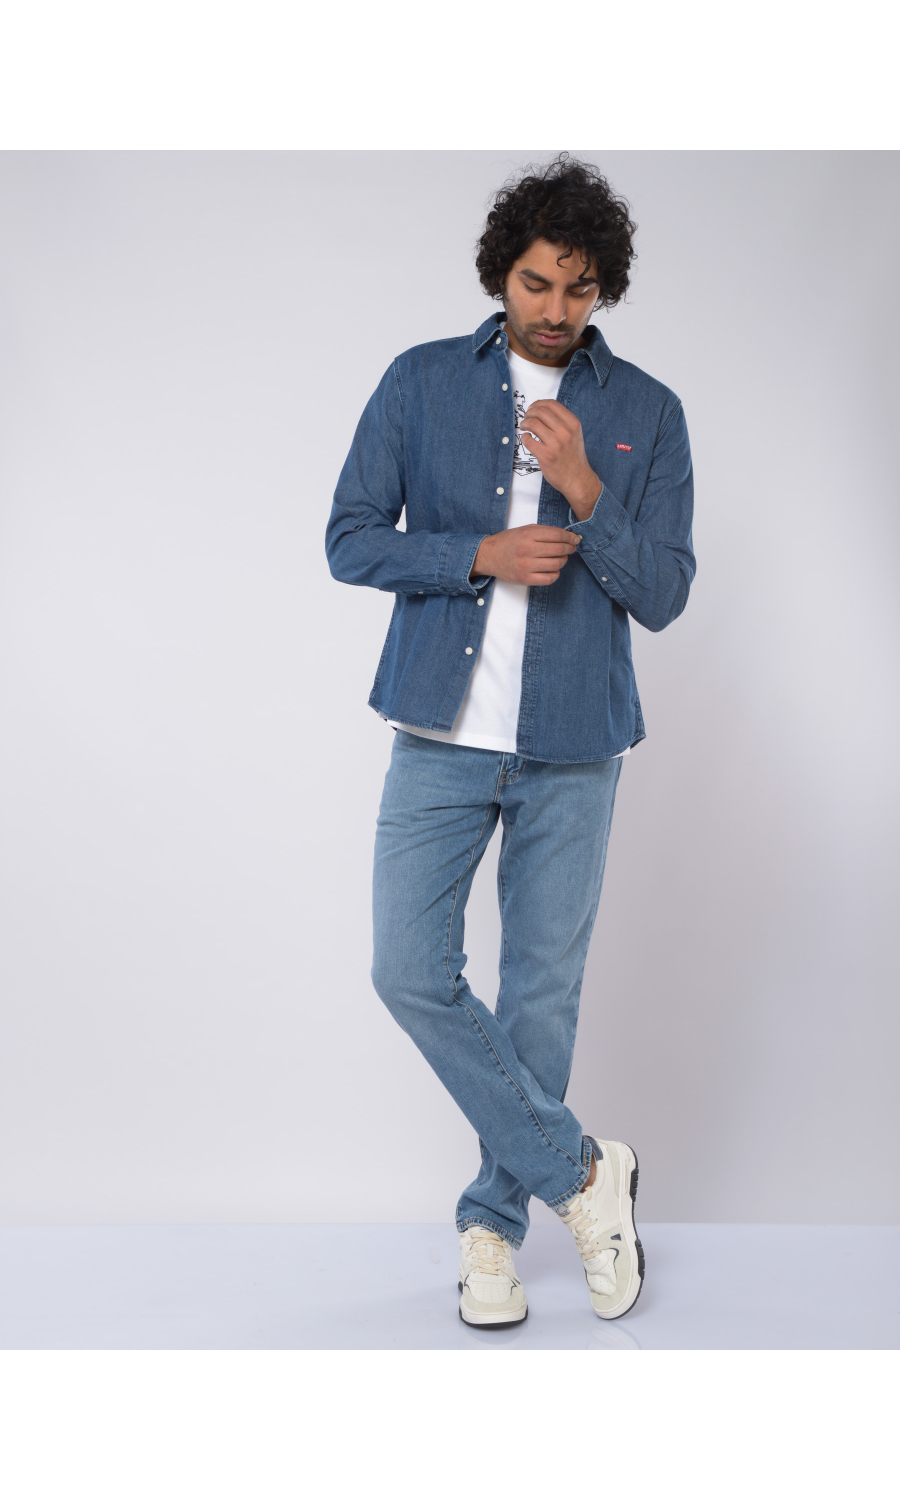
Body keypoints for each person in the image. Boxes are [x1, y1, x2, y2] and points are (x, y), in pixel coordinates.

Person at [325, 156, 695, 1328]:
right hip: (440, 731)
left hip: (576, 743)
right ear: (502, 274)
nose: (555, 307)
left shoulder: (648, 412)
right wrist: (475, 555)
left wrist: (586, 489)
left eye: (579, 288)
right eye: (537, 282)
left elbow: (666, 594)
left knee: (540, 995)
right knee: (407, 969)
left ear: (603, 289)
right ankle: (585, 1175)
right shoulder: (421, 382)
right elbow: (348, 538)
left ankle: (491, 1226)